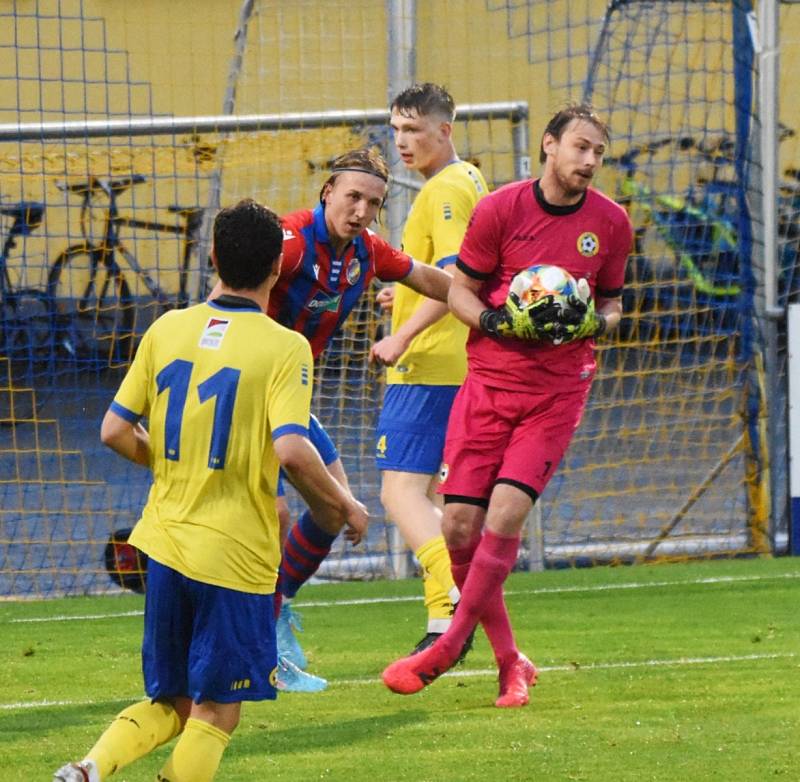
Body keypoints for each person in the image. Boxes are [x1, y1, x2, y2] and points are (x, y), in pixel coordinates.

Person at [53, 199, 367, 782]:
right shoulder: (284, 347)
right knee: (218, 711)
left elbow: (114, 430)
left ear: (214, 258)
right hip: (235, 557)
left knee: (169, 702)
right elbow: (295, 451)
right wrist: (342, 505)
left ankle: (90, 767)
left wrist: (178, 469)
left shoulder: (168, 327)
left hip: (165, 544)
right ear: (279, 267)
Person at [381, 104, 633, 707]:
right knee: (458, 525)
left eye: (598, 152)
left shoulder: (612, 223)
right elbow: (459, 292)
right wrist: (496, 319)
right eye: (580, 148)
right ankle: (509, 661)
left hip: (556, 393)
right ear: (549, 146)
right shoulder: (499, 209)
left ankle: (444, 648)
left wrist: (590, 322)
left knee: (504, 515)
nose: (590, 162)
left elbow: (616, 306)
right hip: (488, 387)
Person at [208, 148, 452, 691]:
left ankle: (271, 617)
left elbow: (430, 279)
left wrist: (487, 302)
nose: (362, 210)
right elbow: (220, 296)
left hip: (289, 398)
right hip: (246, 398)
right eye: (352, 197)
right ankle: (249, 642)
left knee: (337, 513)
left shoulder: (367, 252)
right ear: (327, 194)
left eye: (373, 202)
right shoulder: (289, 244)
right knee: (271, 519)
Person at [369, 83, 487, 654]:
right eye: (396, 130)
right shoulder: (466, 183)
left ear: (446, 131)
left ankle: (457, 599)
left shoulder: (444, 191)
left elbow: (460, 281)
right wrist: (406, 301)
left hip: (428, 368)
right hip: (456, 364)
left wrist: (404, 336)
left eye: (413, 130)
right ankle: (443, 622)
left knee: (399, 495)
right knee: (435, 503)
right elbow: (454, 278)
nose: (402, 141)